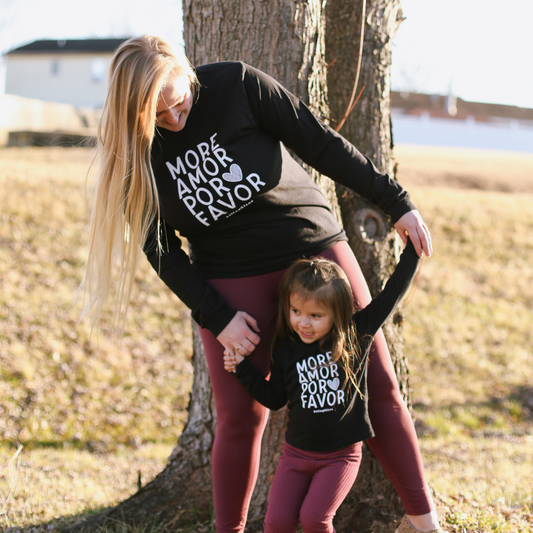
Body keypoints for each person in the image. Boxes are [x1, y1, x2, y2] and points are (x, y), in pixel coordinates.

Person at [83, 35, 440, 533]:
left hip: (314, 252)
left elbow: (319, 143)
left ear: (187, 73)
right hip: (230, 282)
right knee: (239, 416)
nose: (175, 121)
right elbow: (160, 249)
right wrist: (218, 318)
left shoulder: (236, 85)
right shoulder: (133, 148)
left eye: (178, 103)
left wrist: (395, 201)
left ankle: (427, 526)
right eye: (158, 116)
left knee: (376, 386)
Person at [223, 238, 427, 533]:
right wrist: (241, 369)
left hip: (340, 458)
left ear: (337, 312)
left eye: (315, 316)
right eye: (296, 311)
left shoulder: (355, 334)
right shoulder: (285, 348)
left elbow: (392, 293)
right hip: (295, 456)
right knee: (276, 523)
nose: (303, 323)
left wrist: (413, 250)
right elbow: (274, 398)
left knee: (314, 520)